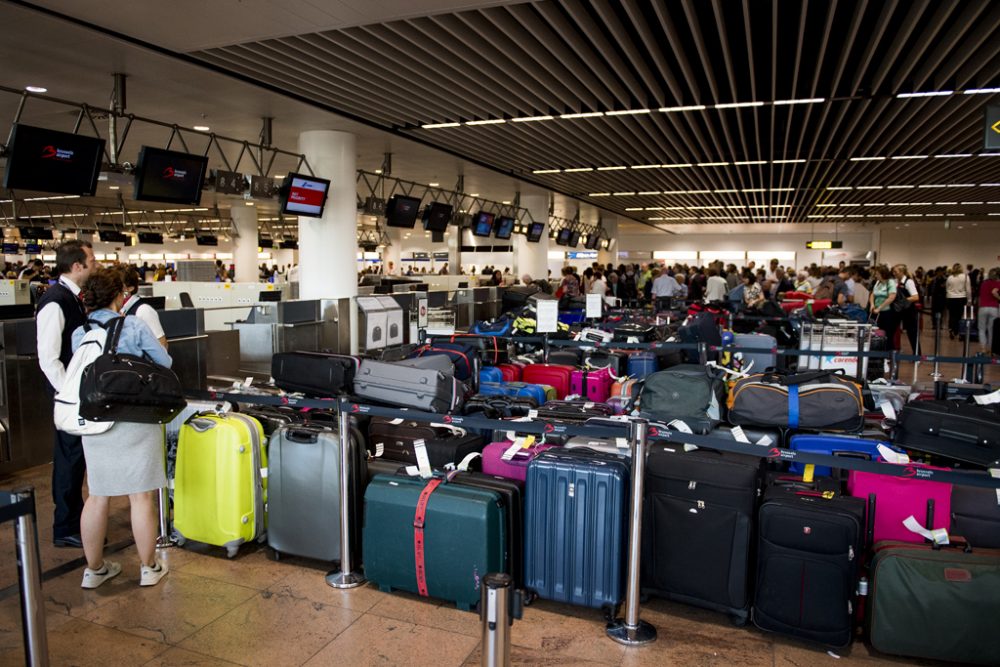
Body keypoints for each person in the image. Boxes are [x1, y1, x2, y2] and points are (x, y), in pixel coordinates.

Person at [72, 270, 172, 589]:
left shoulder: (80, 332)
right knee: (140, 496)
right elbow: (164, 362)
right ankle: (148, 567)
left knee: (97, 495)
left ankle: (95, 570)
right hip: (134, 417)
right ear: (119, 295)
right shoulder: (132, 325)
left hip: (95, 419)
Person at [36, 240, 96, 548]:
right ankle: (65, 527)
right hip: (67, 396)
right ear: (77, 266)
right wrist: (68, 392)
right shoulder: (55, 301)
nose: (94, 265)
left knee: (76, 459)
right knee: (68, 458)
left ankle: (74, 519)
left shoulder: (71, 299)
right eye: (91, 260)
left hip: (75, 393)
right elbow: (48, 358)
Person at [112, 265, 167, 349]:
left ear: (130, 288)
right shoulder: (117, 309)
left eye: (117, 285)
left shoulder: (143, 310)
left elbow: (162, 345)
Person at [891, 264, 920, 352]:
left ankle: (917, 355)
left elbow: (916, 297)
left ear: (902, 272)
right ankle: (892, 352)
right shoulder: (895, 282)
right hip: (897, 310)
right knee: (891, 331)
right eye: (893, 272)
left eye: (895, 272)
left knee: (912, 333)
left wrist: (903, 300)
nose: (894, 273)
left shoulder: (909, 282)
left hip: (909, 311)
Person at [869, 265, 898, 343]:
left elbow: (891, 297)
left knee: (887, 334)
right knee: (876, 333)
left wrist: (880, 308)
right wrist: (872, 304)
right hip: (876, 312)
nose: (875, 275)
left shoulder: (890, 282)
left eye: (877, 274)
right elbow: (873, 294)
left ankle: (887, 353)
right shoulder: (878, 282)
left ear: (883, 274)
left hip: (887, 312)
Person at [945, 263, 971, 339]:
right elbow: (968, 289)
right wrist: (969, 300)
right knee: (959, 315)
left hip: (950, 298)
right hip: (961, 298)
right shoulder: (965, 277)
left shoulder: (949, 277)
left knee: (951, 315)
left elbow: (947, 288)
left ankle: (951, 329)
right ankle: (957, 331)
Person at [978, 268, 1000, 354]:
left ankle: (983, 348)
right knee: (991, 329)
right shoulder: (998, 283)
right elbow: (994, 292)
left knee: (982, 329)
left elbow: (980, 296)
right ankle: (991, 348)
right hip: (994, 308)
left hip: (983, 307)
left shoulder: (983, 283)